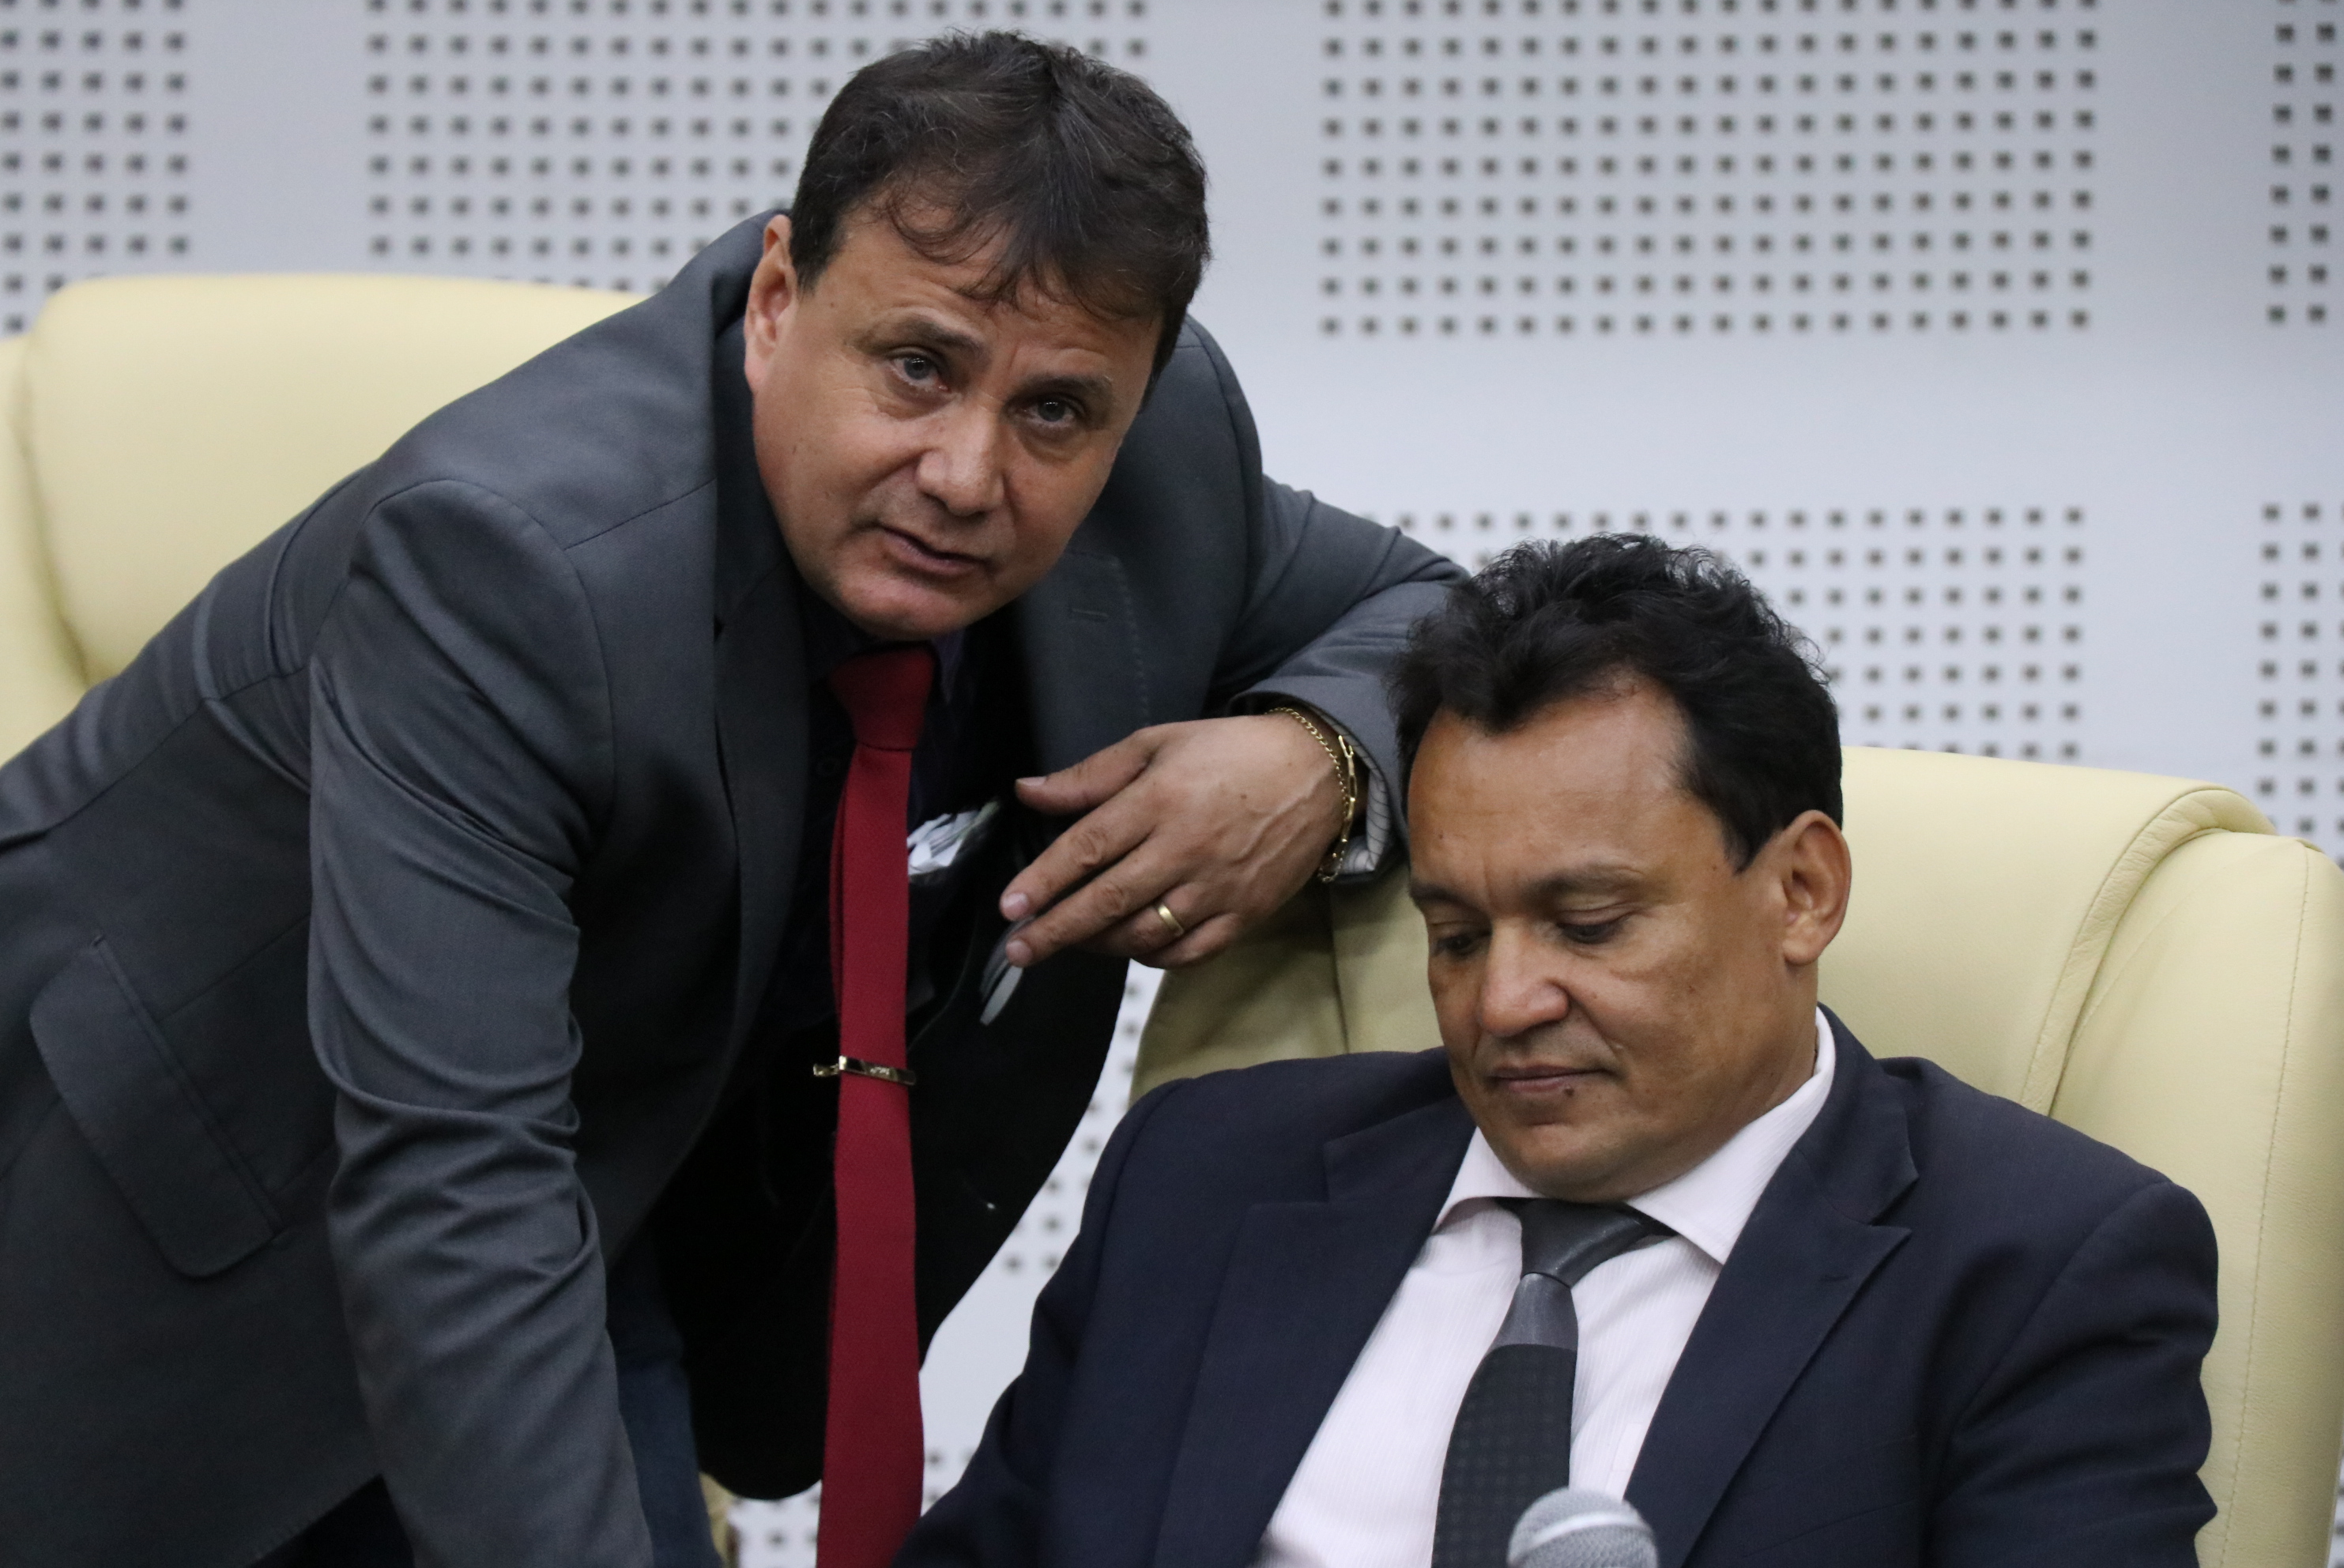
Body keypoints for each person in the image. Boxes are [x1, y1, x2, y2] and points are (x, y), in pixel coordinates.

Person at [0, 34, 1457, 1568]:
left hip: (596, 1167)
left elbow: (1433, 612)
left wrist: (1318, 753)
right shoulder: (509, 562)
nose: (969, 472)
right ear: (776, 302)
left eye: (1056, 413)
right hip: (168, 1202)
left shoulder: (1158, 453)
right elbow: (457, 1186)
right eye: (918, 366)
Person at [902, 537, 2219, 1568]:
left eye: (1589, 925)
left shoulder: (2037, 1269)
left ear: (1803, 891)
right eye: (1457, 935)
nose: (1504, 1002)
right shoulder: (1206, 1176)